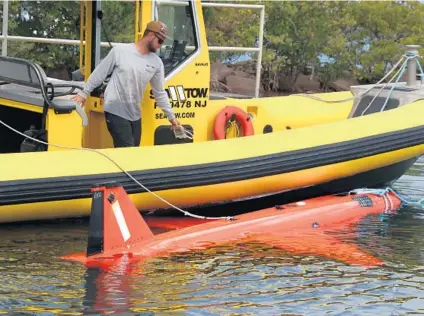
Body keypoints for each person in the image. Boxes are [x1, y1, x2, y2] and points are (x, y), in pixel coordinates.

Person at [72, 21, 180, 148]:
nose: (160, 45)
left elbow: (160, 93)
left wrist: (172, 118)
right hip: (115, 109)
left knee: (132, 154)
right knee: (126, 151)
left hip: (134, 114)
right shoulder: (120, 51)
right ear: (151, 35)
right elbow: (99, 74)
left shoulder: (157, 63)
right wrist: (83, 93)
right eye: (160, 41)